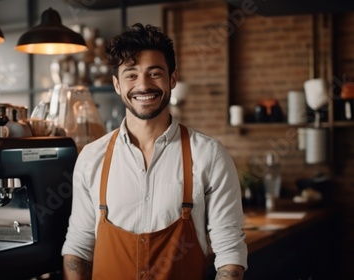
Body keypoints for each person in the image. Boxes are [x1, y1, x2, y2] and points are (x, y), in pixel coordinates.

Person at [61, 23, 247, 280]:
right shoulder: (92, 158)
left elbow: (230, 254)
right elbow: (79, 248)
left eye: (154, 73)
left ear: (172, 78)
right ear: (117, 84)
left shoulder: (210, 155)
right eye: (131, 75)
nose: (143, 85)